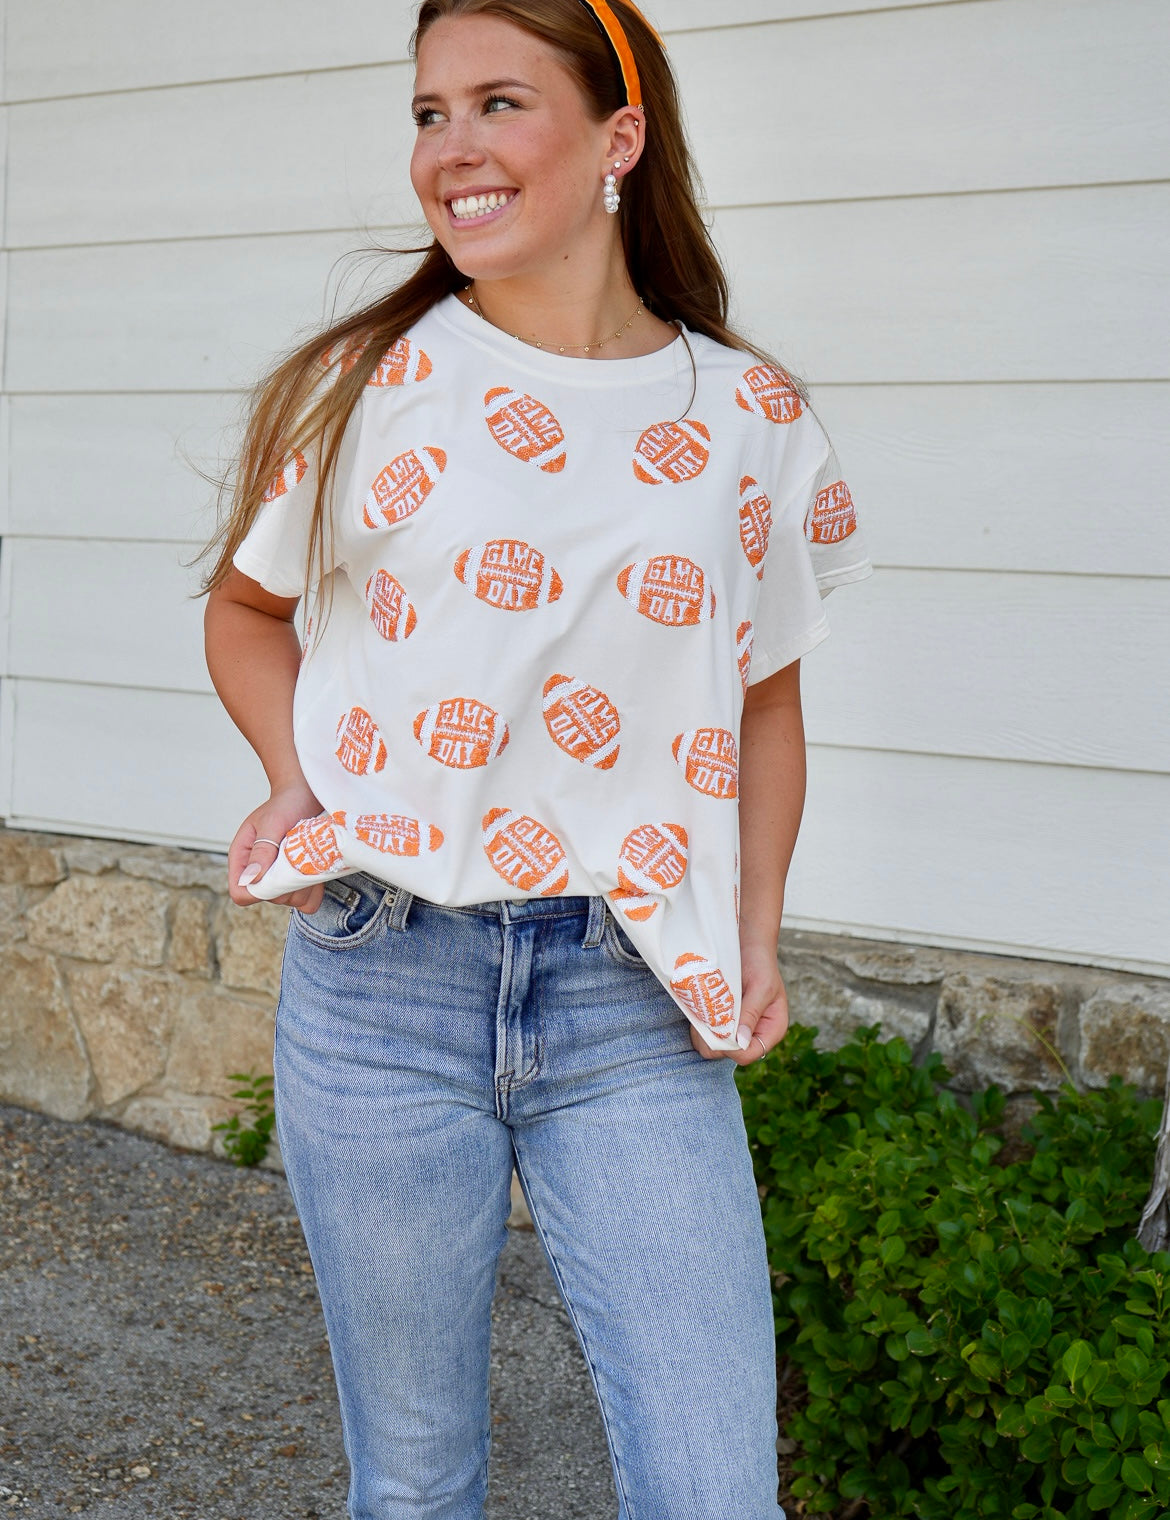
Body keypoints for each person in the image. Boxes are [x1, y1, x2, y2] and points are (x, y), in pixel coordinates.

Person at [201, 0, 871, 1514]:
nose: (453, 150)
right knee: (418, 1483)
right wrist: (296, 776)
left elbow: (762, 701)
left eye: (498, 103)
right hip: (381, 978)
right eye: (429, 113)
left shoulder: (747, 417)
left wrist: (749, 934)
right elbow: (247, 612)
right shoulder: (371, 384)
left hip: (629, 991)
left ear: (617, 137)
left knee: (715, 1492)